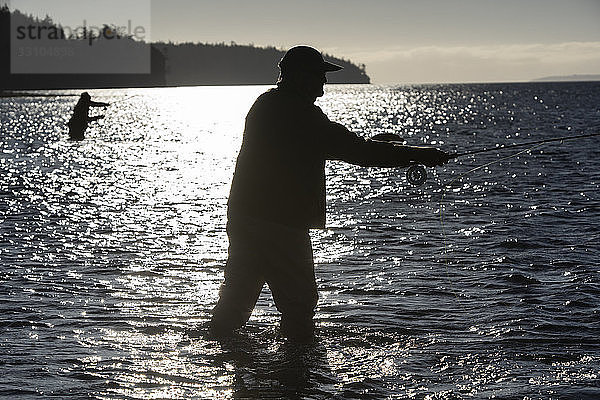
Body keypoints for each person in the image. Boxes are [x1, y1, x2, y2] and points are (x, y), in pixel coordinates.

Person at [209, 45, 451, 341]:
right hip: (280, 224)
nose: (323, 84)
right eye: (318, 76)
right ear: (299, 76)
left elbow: (326, 143)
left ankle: (220, 358)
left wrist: (381, 147)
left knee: (236, 300)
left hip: (246, 218)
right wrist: (417, 154)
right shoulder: (298, 112)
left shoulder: (267, 105)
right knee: (299, 304)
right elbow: (352, 149)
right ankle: (297, 372)